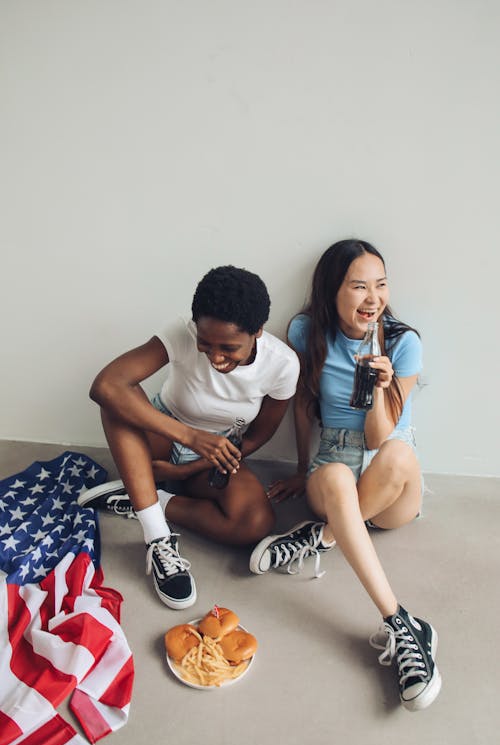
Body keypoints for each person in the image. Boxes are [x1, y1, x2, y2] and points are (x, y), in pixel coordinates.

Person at [249, 239, 441, 711]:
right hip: (333, 458)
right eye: (359, 286)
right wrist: (299, 469)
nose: (373, 298)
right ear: (332, 291)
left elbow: (378, 439)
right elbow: (298, 403)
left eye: (380, 285)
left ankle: (326, 539)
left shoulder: (402, 342)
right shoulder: (305, 332)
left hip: (390, 481)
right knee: (334, 477)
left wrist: (380, 382)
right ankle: (400, 620)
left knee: (397, 454)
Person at [78, 265, 299, 610]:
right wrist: (190, 437)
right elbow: (106, 385)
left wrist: (188, 468)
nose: (215, 357)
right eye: (205, 344)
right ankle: (158, 537)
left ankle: (144, 500)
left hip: (217, 453)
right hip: (164, 433)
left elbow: (260, 434)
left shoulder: (283, 365)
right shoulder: (180, 332)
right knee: (115, 400)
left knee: (256, 523)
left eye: (228, 348)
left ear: (257, 331)